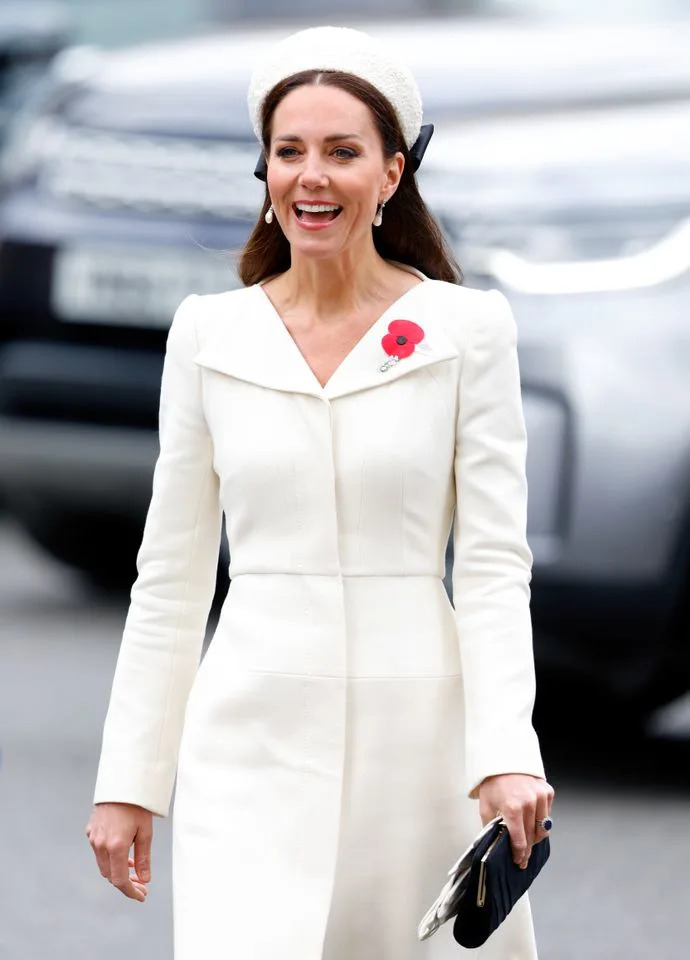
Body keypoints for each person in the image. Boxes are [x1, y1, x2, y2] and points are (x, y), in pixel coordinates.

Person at [86, 25, 554, 960]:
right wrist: (129, 780)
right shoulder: (209, 334)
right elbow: (170, 578)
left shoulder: (469, 330)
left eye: (342, 152)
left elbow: (495, 566)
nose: (311, 176)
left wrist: (507, 752)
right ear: (263, 170)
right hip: (246, 744)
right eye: (289, 151)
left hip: (419, 749)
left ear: (392, 174)